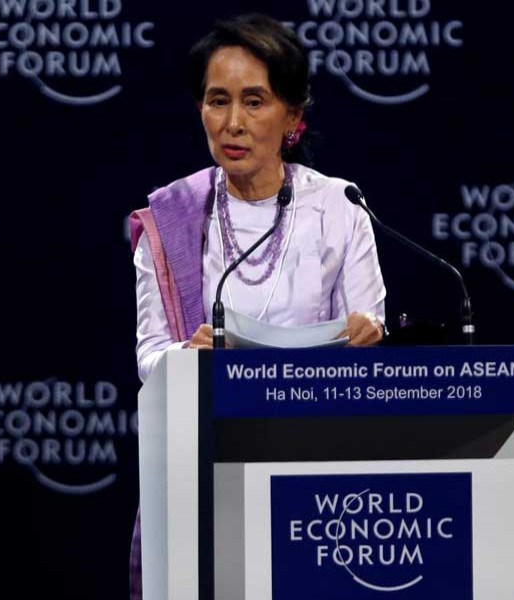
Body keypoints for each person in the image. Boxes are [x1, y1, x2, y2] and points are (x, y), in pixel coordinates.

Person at [127, 13, 386, 600]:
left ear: (292, 118)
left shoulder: (339, 206)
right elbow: (150, 357)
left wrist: (367, 334)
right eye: (218, 101)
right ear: (200, 110)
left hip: (317, 478)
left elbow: (366, 336)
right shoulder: (171, 217)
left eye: (255, 101)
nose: (233, 123)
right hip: (204, 472)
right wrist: (187, 357)